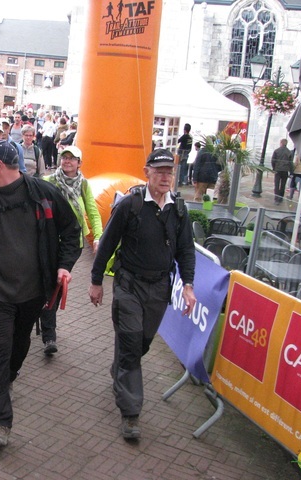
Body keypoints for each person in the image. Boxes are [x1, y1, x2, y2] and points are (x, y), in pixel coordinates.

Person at [0, 140, 81, 448]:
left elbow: (71, 232)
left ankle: (10, 378)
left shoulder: (44, 195)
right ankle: (0, 421)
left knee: (19, 345)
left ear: (0, 165)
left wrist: (64, 266)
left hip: (32, 293)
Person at [89, 149, 196, 440]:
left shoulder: (179, 209)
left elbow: (186, 250)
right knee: (131, 342)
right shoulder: (130, 204)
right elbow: (108, 242)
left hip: (160, 288)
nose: (165, 177)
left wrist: (188, 285)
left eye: (169, 171)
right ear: (147, 171)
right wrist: (96, 281)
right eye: (159, 171)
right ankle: (131, 414)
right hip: (129, 285)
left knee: (140, 344)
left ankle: (120, 366)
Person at [40, 146, 103, 355]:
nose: (67, 161)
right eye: (64, 157)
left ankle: (48, 327)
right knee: (48, 282)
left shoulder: (83, 184)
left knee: (58, 283)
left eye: (72, 158)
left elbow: (92, 211)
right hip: (49, 238)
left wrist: (98, 237)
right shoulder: (49, 181)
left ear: (79, 163)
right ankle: (47, 330)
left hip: (72, 243)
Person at [271, 139, 294, 205]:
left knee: (277, 184)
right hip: (285, 170)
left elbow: (273, 160)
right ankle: (281, 198)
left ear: (281, 143)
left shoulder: (276, 151)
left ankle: (276, 199)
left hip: (278, 170)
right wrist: (291, 172)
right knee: (283, 185)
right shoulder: (289, 152)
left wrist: (274, 168)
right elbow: (291, 163)